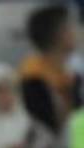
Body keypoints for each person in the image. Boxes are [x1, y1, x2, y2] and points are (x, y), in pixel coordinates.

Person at [19, 3, 82, 133]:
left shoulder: (73, 71)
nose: (76, 32)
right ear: (57, 35)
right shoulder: (33, 78)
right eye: (69, 27)